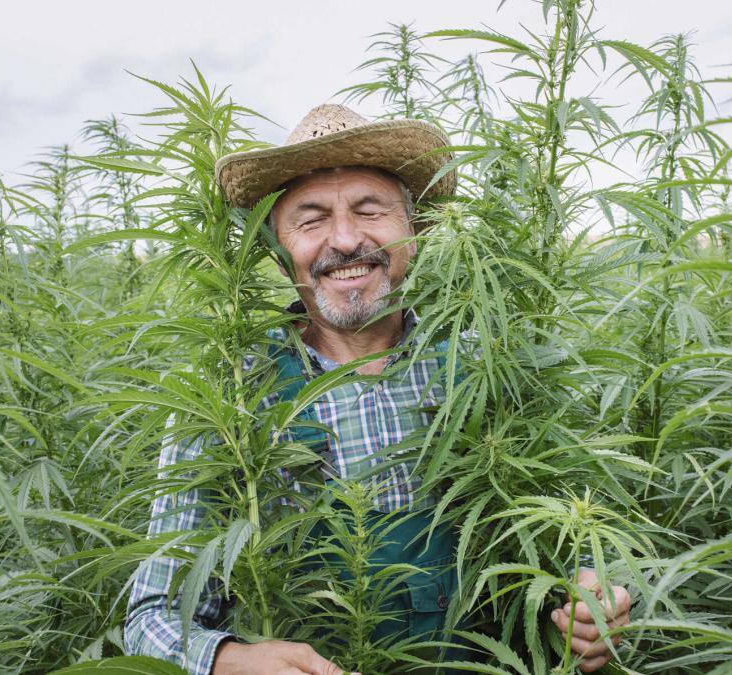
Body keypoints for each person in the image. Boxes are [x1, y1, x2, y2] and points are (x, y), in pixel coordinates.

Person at [124, 104, 631, 675]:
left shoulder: (492, 361)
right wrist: (226, 661)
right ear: (276, 247)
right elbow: (153, 616)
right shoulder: (232, 393)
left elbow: (586, 536)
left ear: (415, 229)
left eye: (371, 211)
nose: (345, 240)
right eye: (311, 219)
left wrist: (595, 598)